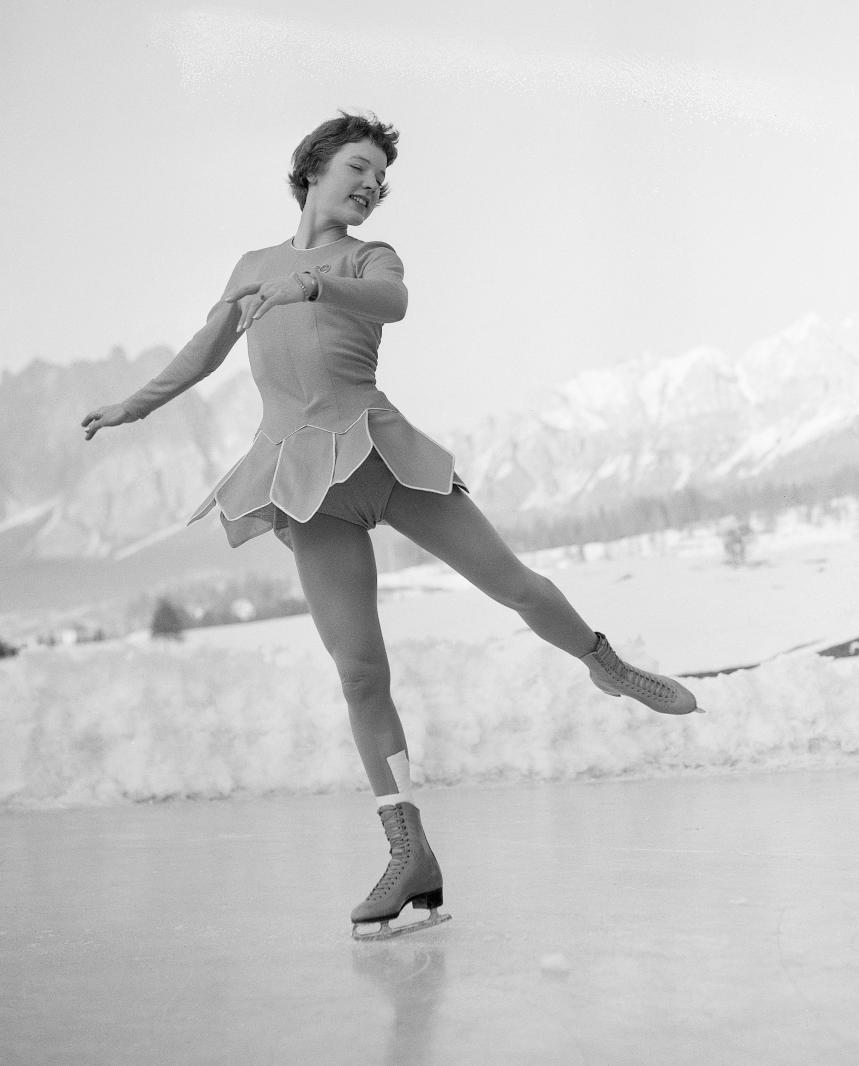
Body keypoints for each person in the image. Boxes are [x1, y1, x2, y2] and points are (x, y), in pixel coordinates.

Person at [82, 111, 701, 941]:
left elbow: (393, 302)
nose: (372, 186)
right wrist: (134, 404)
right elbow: (206, 348)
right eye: (359, 169)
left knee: (513, 584)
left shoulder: (369, 256)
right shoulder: (252, 267)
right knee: (360, 672)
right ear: (314, 169)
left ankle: (608, 663)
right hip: (302, 482)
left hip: (383, 457)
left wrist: (316, 284)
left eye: (380, 177)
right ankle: (409, 852)